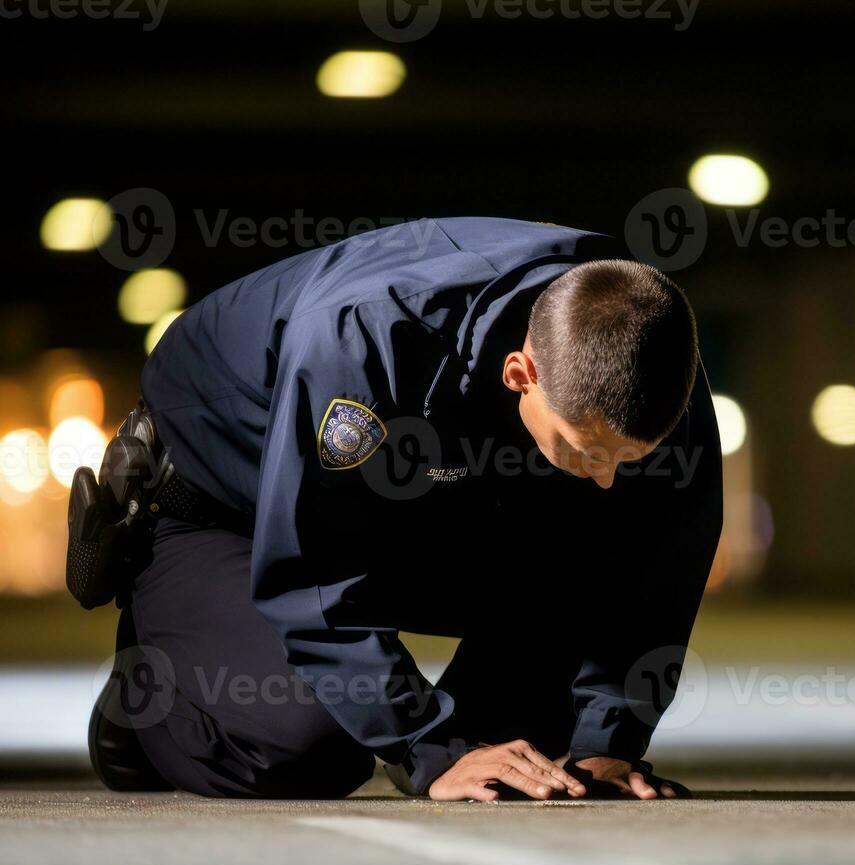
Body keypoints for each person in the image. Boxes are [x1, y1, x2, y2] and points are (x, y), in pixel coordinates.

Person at [81, 217, 722, 802]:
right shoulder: (361, 340)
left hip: (422, 502)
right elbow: (313, 569)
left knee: (532, 760)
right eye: (586, 452)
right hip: (230, 509)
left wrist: (605, 744)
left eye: (629, 457)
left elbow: (657, 569)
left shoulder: (653, 356)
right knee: (307, 749)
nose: (608, 480)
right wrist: (427, 746)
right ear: (520, 373)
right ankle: (146, 701)